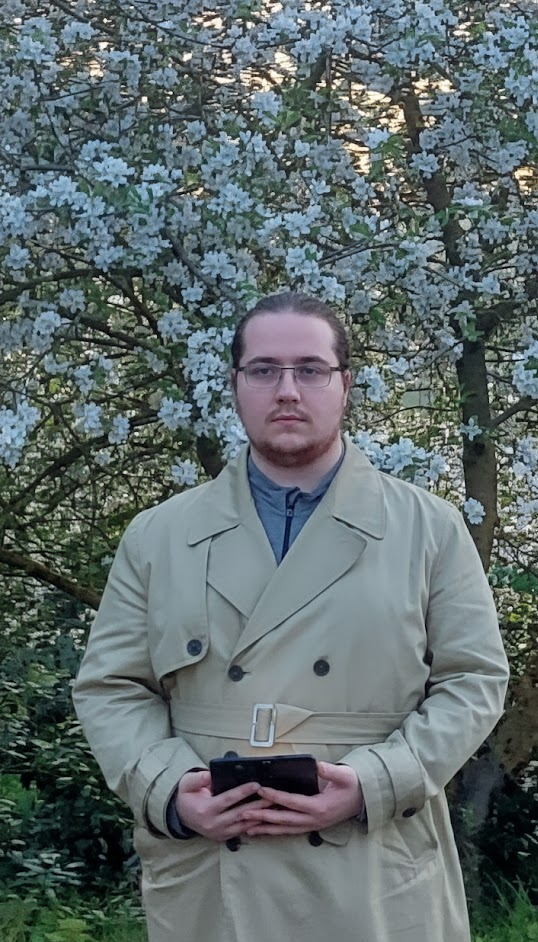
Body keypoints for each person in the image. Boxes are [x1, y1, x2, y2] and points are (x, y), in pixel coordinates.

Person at [73, 292, 509, 942]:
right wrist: (168, 788)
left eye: (309, 369)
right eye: (264, 370)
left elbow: (474, 682)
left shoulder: (429, 528)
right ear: (234, 385)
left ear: (345, 385)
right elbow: (110, 688)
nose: (287, 390)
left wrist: (373, 783)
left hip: (372, 870)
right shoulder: (158, 535)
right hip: (213, 870)